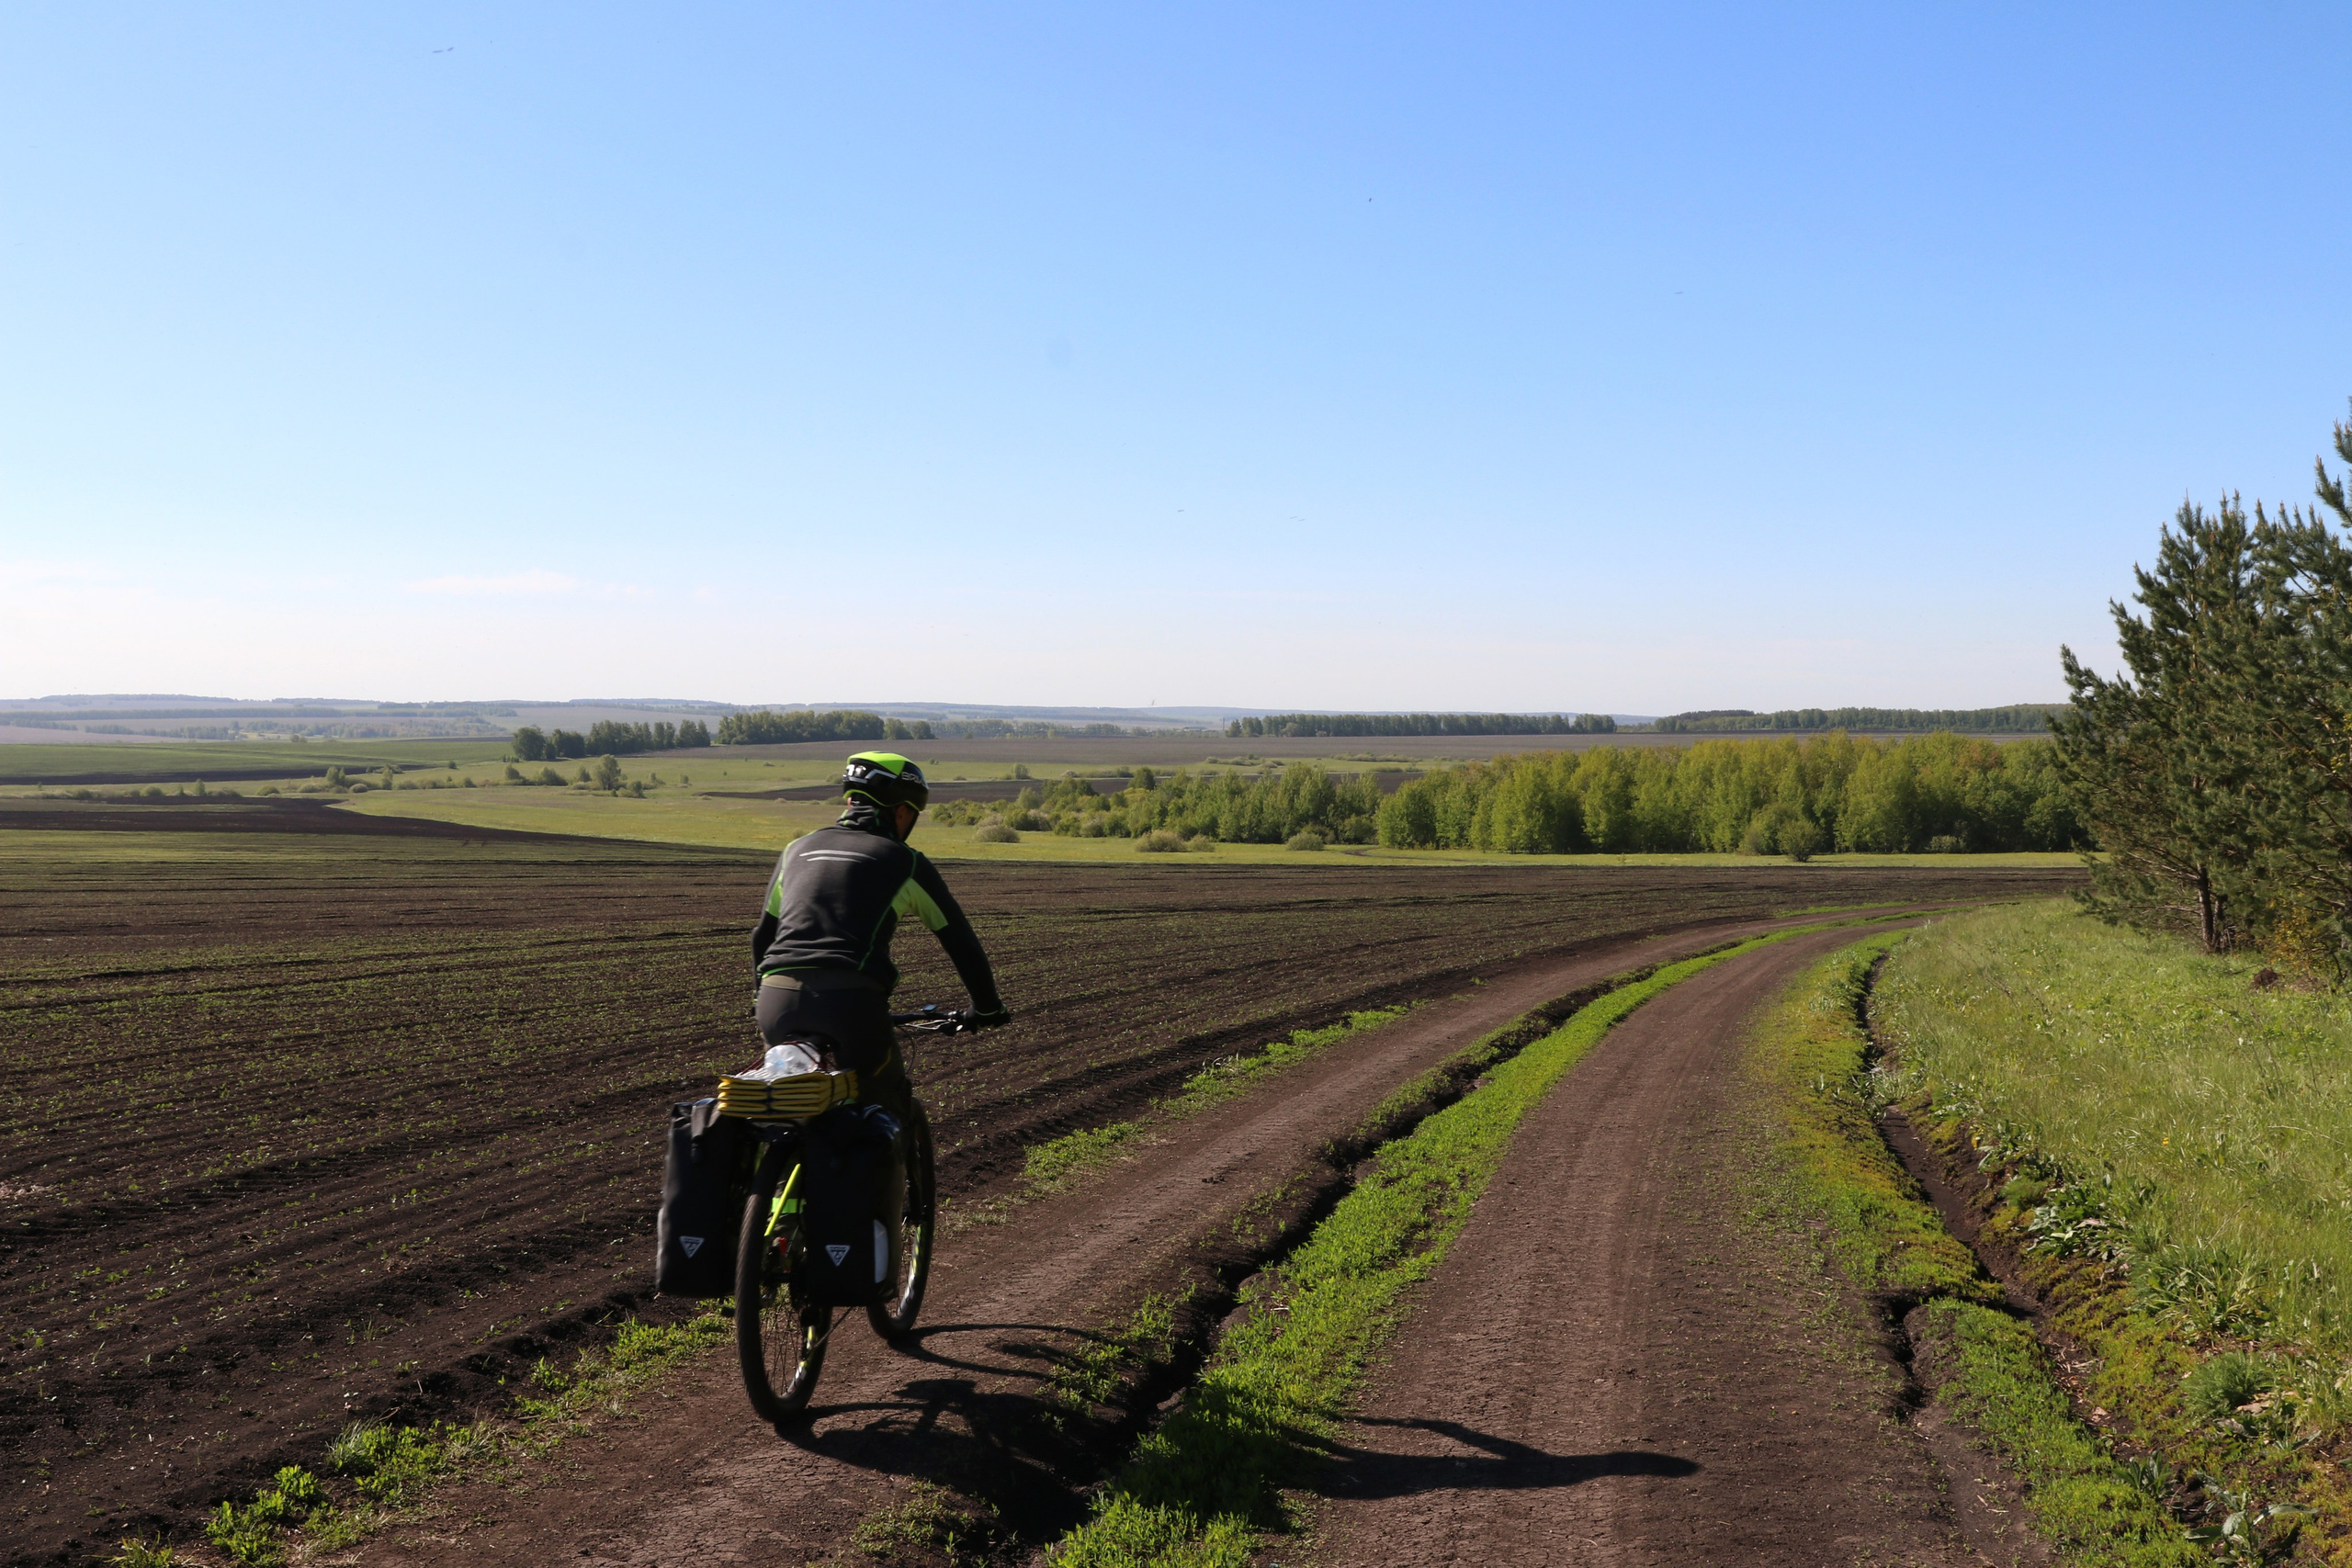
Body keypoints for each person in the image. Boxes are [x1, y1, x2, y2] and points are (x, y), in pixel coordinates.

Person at [749, 751, 1009, 1115]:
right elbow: (960, 942)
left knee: (785, 1107)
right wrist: (987, 1007)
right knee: (884, 1105)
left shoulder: (796, 850)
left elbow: (763, 937)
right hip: (850, 1004)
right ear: (901, 811)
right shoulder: (905, 861)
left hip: (775, 1001)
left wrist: (761, 999)